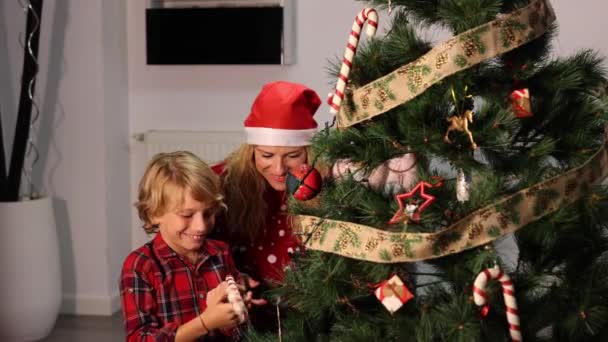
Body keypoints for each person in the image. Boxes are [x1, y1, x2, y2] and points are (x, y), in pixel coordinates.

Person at [121, 151, 255, 341]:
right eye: (186, 215)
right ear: (154, 213)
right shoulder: (140, 266)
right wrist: (205, 322)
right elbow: (139, 338)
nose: (201, 226)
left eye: (208, 213)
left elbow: (235, 331)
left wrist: (237, 310)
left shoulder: (220, 252)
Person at [212, 81, 322, 286]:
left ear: (308, 152)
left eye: (292, 155)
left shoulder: (325, 183)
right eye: (267, 155)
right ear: (252, 150)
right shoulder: (221, 182)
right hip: (243, 306)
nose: (279, 169)